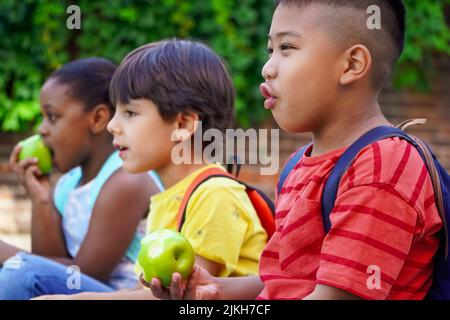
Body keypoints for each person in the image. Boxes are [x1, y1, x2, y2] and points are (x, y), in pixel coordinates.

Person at [148, 0, 443, 300]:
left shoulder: (382, 165)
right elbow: (282, 282)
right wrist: (213, 290)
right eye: (270, 50)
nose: (267, 68)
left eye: (286, 47)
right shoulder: (297, 165)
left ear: (352, 65)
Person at [35, 39, 268, 300]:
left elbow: (187, 294)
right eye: (116, 112)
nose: (113, 125)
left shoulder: (215, 194)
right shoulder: (166, 198)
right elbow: (144, 290)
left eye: (130, 113)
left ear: (183, 123)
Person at [0, 58, 163, 299]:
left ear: (97, 119)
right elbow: (50, 265)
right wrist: (41, 200)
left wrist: (6, 253)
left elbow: (84, 274)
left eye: (52, 117)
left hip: (120, 294)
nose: (42, 129)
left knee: (21, 273)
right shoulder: (69, 183)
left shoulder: (126, 180)